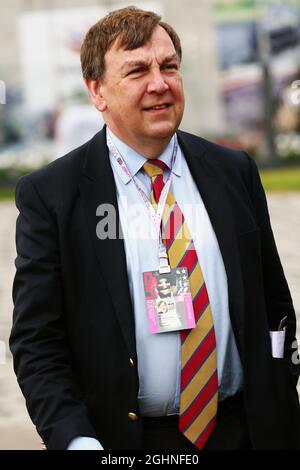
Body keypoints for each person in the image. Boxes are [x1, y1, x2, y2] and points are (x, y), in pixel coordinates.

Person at [10, 6, 300, 451]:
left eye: (169, 66)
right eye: (137, 70)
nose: (159, 83)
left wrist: (281, 400)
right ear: (97, 91)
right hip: (127, 442)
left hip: (246, 431)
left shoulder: (233, 171)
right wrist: (75, 440)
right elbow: (37, 342)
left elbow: (275, 304)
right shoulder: (53, 195)